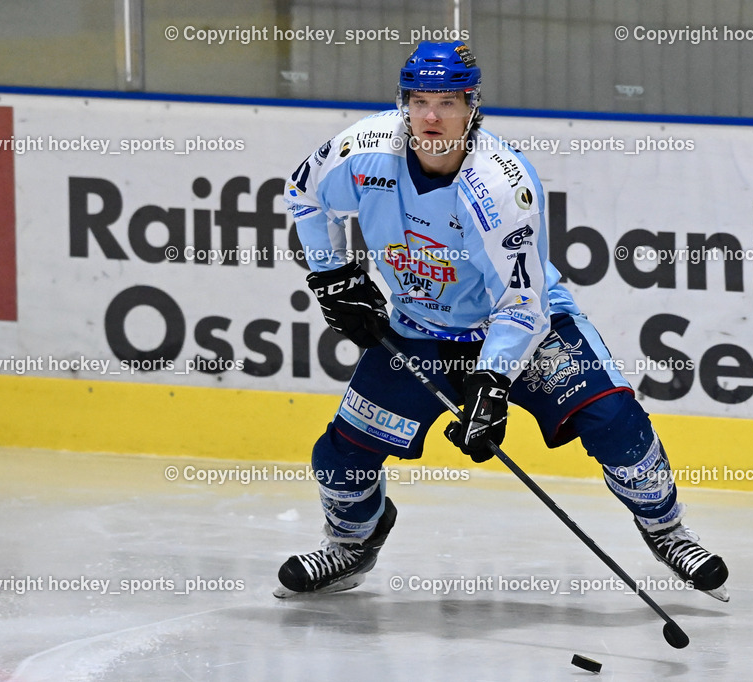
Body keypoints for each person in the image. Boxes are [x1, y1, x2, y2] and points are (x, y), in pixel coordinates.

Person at [275, 41, 729, 602]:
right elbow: (303, 192)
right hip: (421, 329)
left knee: (616, 420)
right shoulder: (362, 150)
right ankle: (351, 544)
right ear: (403, 104)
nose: (431, 117)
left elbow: (521, 303)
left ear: (473, 106)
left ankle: (667, 530)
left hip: (526, 329)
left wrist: (491, 384)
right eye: (419, 101)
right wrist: (333, 274)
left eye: (447, 102)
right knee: (340, 455)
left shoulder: (501, 185)